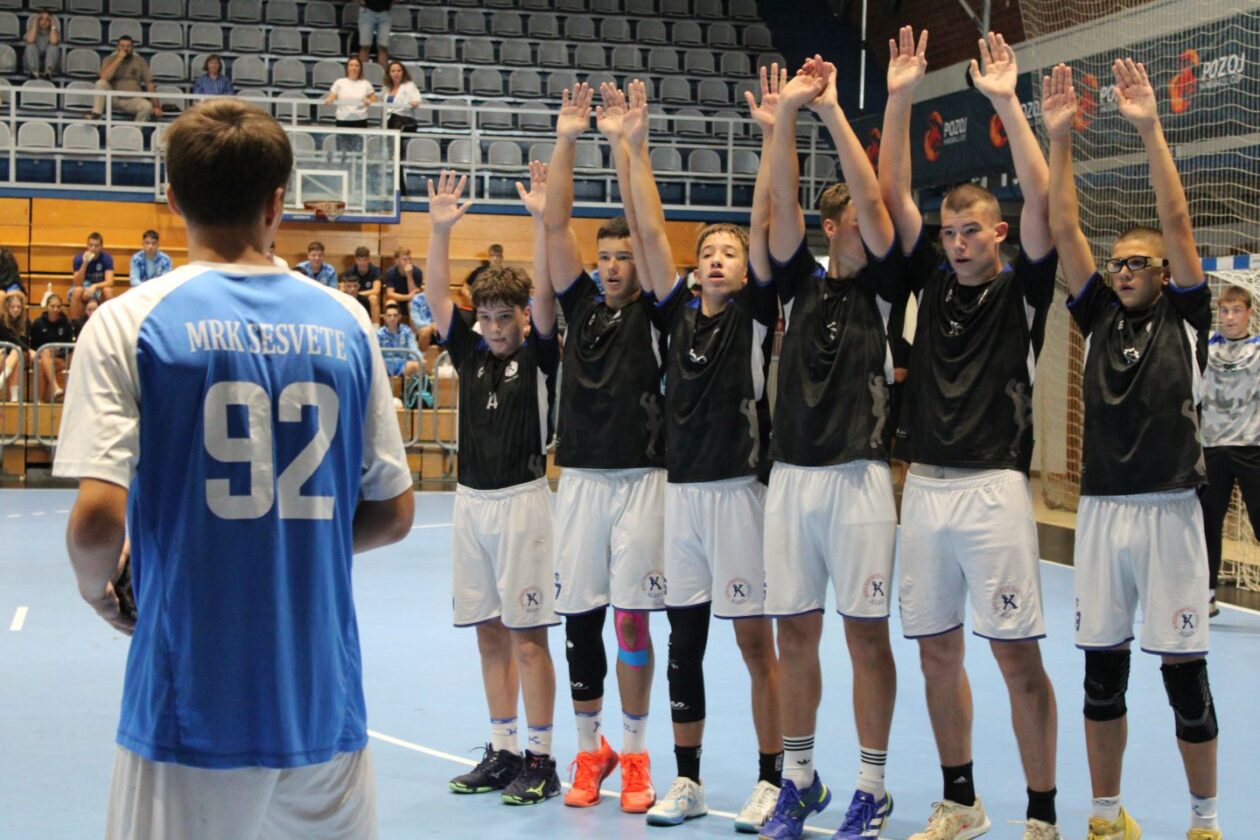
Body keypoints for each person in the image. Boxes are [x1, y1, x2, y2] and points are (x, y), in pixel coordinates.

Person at [53, 98, 414, 840]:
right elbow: (394, 511)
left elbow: (96, 521)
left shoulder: (131, 321)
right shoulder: (346, 322)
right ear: (280, 200)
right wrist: (286, 543)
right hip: (322, 699)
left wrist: (102, 593)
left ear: (173, 196)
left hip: (192, 703)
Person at [881, 28, 1061, 840]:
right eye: (949, 233)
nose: (958, 244)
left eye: (972, 232)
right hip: (924, 487)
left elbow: (1044, 198)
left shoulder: (1024, 288)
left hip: (993, 488)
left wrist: (1003, 103)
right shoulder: (928, 277)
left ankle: (1043, 812)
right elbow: (891, 197)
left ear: (998, 235)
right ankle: (961, 802)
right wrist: (896, 98)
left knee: (1016, 656)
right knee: (935, 654)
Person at [593, 80, 781, 832]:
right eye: (707, 252)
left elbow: (768, 223)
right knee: (684, 645)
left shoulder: (761, 314)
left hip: (739, 492)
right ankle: (690, 780)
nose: (716, 260)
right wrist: (630, 147)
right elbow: (646, 232)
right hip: (682, 494)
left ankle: (774, 778)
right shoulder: (674, 319)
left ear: (746, 267)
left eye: (729, 252)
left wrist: (773, 134)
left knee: (752, 641)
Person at [1045, 59, 1223, 840]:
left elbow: (1178, 226)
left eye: (1135, 263)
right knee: (1101, 675)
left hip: (1171, 510)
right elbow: (1064, 230)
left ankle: (1203, 818)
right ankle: (1105, 815)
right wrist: (1058, 143)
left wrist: (1150, 128)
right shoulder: (1096, 315)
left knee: (1185, 676)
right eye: (1116, 263)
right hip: (1104, 513)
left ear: (1162, 273)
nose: (1120, 271)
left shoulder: (1187, 315)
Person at [754, 55, 908, 840]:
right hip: (792, 478)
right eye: (827, 216)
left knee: (865, 633)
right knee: (796, 634)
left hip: (858, 477)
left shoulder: (887, 282)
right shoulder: (796, 284)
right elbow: (779, 202)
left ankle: (872, 786)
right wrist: (783, 117)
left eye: (837, 215)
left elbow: (878, 201)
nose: (827, 223)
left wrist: (832, 111)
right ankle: (802, 779)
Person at [538, 82, 664, 814]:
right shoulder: (580, 305)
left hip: (645, 480)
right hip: (581, 480)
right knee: (581, 617)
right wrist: (567, 138)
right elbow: (555, 228)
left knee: (633, 619)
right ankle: (590, 752)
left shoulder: (656, 309)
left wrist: (627, 147)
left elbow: (651, 234)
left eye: (622, 257)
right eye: (605, 257)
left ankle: (638, 751)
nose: (614, 266)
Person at [426, 169, 563, 807]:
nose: (493, 326)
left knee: (527, 633)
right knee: (488, 630)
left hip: (523, 501)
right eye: (485, 317)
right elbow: (434, 302)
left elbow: (544, 305)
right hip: (471, 503)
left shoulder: (537, 351)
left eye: (502, 316)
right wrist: (440, 230)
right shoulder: (472, 349)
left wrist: (540, 221)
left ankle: (541, 757)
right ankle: (504, 747)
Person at [1199, 284, 1260, 618]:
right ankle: (1207, 594)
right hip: (1213, 447)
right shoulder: (1206, 345)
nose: (1230, 317)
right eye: (1224, 311)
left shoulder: (1258, 348)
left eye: (1237, 310)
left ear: (1250, 313)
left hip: (1252, 447)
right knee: (1208, 524)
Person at [90, 35, 160, 123]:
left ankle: (135, 133)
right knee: (100, 83)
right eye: (122, 46)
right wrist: (119, 58)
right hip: (113, 98)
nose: (125, 48)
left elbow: (150, 84)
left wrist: (157, 106)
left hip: (133, 100)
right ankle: (96, 115)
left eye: (128, 46)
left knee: (147, 106)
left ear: (132, 48)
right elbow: (104, 77)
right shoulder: (109, 59)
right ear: (117, 47)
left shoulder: (140, 61)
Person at [28, 292, 74, 401]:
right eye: (52, 306)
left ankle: (40, 400)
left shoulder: (66, 323)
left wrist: (58, 351)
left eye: (58, 306)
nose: (55, 309)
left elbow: (69, 346)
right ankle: (53, 389)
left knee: (42, 364)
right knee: (42, 358)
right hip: (41, 357)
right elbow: (34, 345)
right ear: (47, 307)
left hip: (60, 359)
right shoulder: (38, 323)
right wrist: (46, 352)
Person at [324, 56, 376, 145]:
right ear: (347, 68)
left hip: (360, 119)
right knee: (343, 150)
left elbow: (374, 98)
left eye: (357, 65)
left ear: (360, 68)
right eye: (351, 65)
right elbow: (332, 96)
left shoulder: (366, 83)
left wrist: (369, 100)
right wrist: (330, 99)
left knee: (359, 149)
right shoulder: (339, 82)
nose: (354, 68)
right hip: (343, 119)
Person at [69, 232, 114, 320]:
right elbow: (77, 283)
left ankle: (108, 323)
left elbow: (110, 281)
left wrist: (94, 286)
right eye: (91, 245)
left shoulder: (106, 258)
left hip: (98, 288)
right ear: (87, 246)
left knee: (108, 291)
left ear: (101, 247)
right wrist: (85, 263)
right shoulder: (78, 259)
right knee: (78, 290)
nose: (93, 248)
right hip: (82, 288)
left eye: (96, 246)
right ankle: (75, 326)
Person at [0, 289, 34, 401]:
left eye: (18, 307)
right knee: (16, 360)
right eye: (12, 307)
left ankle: (1, 380)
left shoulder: (26, 322)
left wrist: (26, 350)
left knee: (17, 350)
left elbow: (24, 341)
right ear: (7, 307)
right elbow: (10, 338)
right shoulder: (2, 321)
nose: (16, 309)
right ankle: (14, 397)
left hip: (21, 352)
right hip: (8, 352)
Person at [376, 301, 421, 380]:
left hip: (403, 363)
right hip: (386, 363)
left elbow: (413, 347)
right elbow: (375, 351)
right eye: (389, 316)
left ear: (399, 317)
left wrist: (420, 358)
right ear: (384, 317)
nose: (392, 318)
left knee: (416, 365)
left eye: (395, 315)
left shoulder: (407, 331)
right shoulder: (378, 333)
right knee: (379, 366)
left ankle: (407, 391)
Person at [346, 246, 384, 324]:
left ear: (369, 260)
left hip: (366, 299)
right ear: (355, 260)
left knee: (373, 298)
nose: (362, 263)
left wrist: (358, 293)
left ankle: (376, 328)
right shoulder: (350, 271)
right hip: (353, 297)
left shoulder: (375, 271)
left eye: (365, 260)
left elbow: (376, 290)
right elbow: (342, 289)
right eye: (359, 260)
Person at [382, 61, 421, 132]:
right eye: (393, 71)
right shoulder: (386, 88)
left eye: (399, 71)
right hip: (389, 119)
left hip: (405, 119)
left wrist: (413, 103)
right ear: (389, 74)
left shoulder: (409, 85)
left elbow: (416, 100)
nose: (396, 73)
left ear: (403, 73)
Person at [23, 9, 60, 80]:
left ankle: (48, 73)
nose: (44, 22)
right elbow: (30, 40)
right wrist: (35, 21)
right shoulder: (32, 30)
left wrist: (53, 23)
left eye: (47, 20)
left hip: (49, 62)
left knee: (53, 47)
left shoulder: (54, 32)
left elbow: (54, 41)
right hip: (33, 62)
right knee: (30, 46)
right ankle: (34, 73)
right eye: (41, 19)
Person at [357, 0, 393, 69]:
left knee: (383, 46)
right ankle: (361, 76)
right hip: (367, 11)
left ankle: (383, 77)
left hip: (386, 12)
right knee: (365, 46)